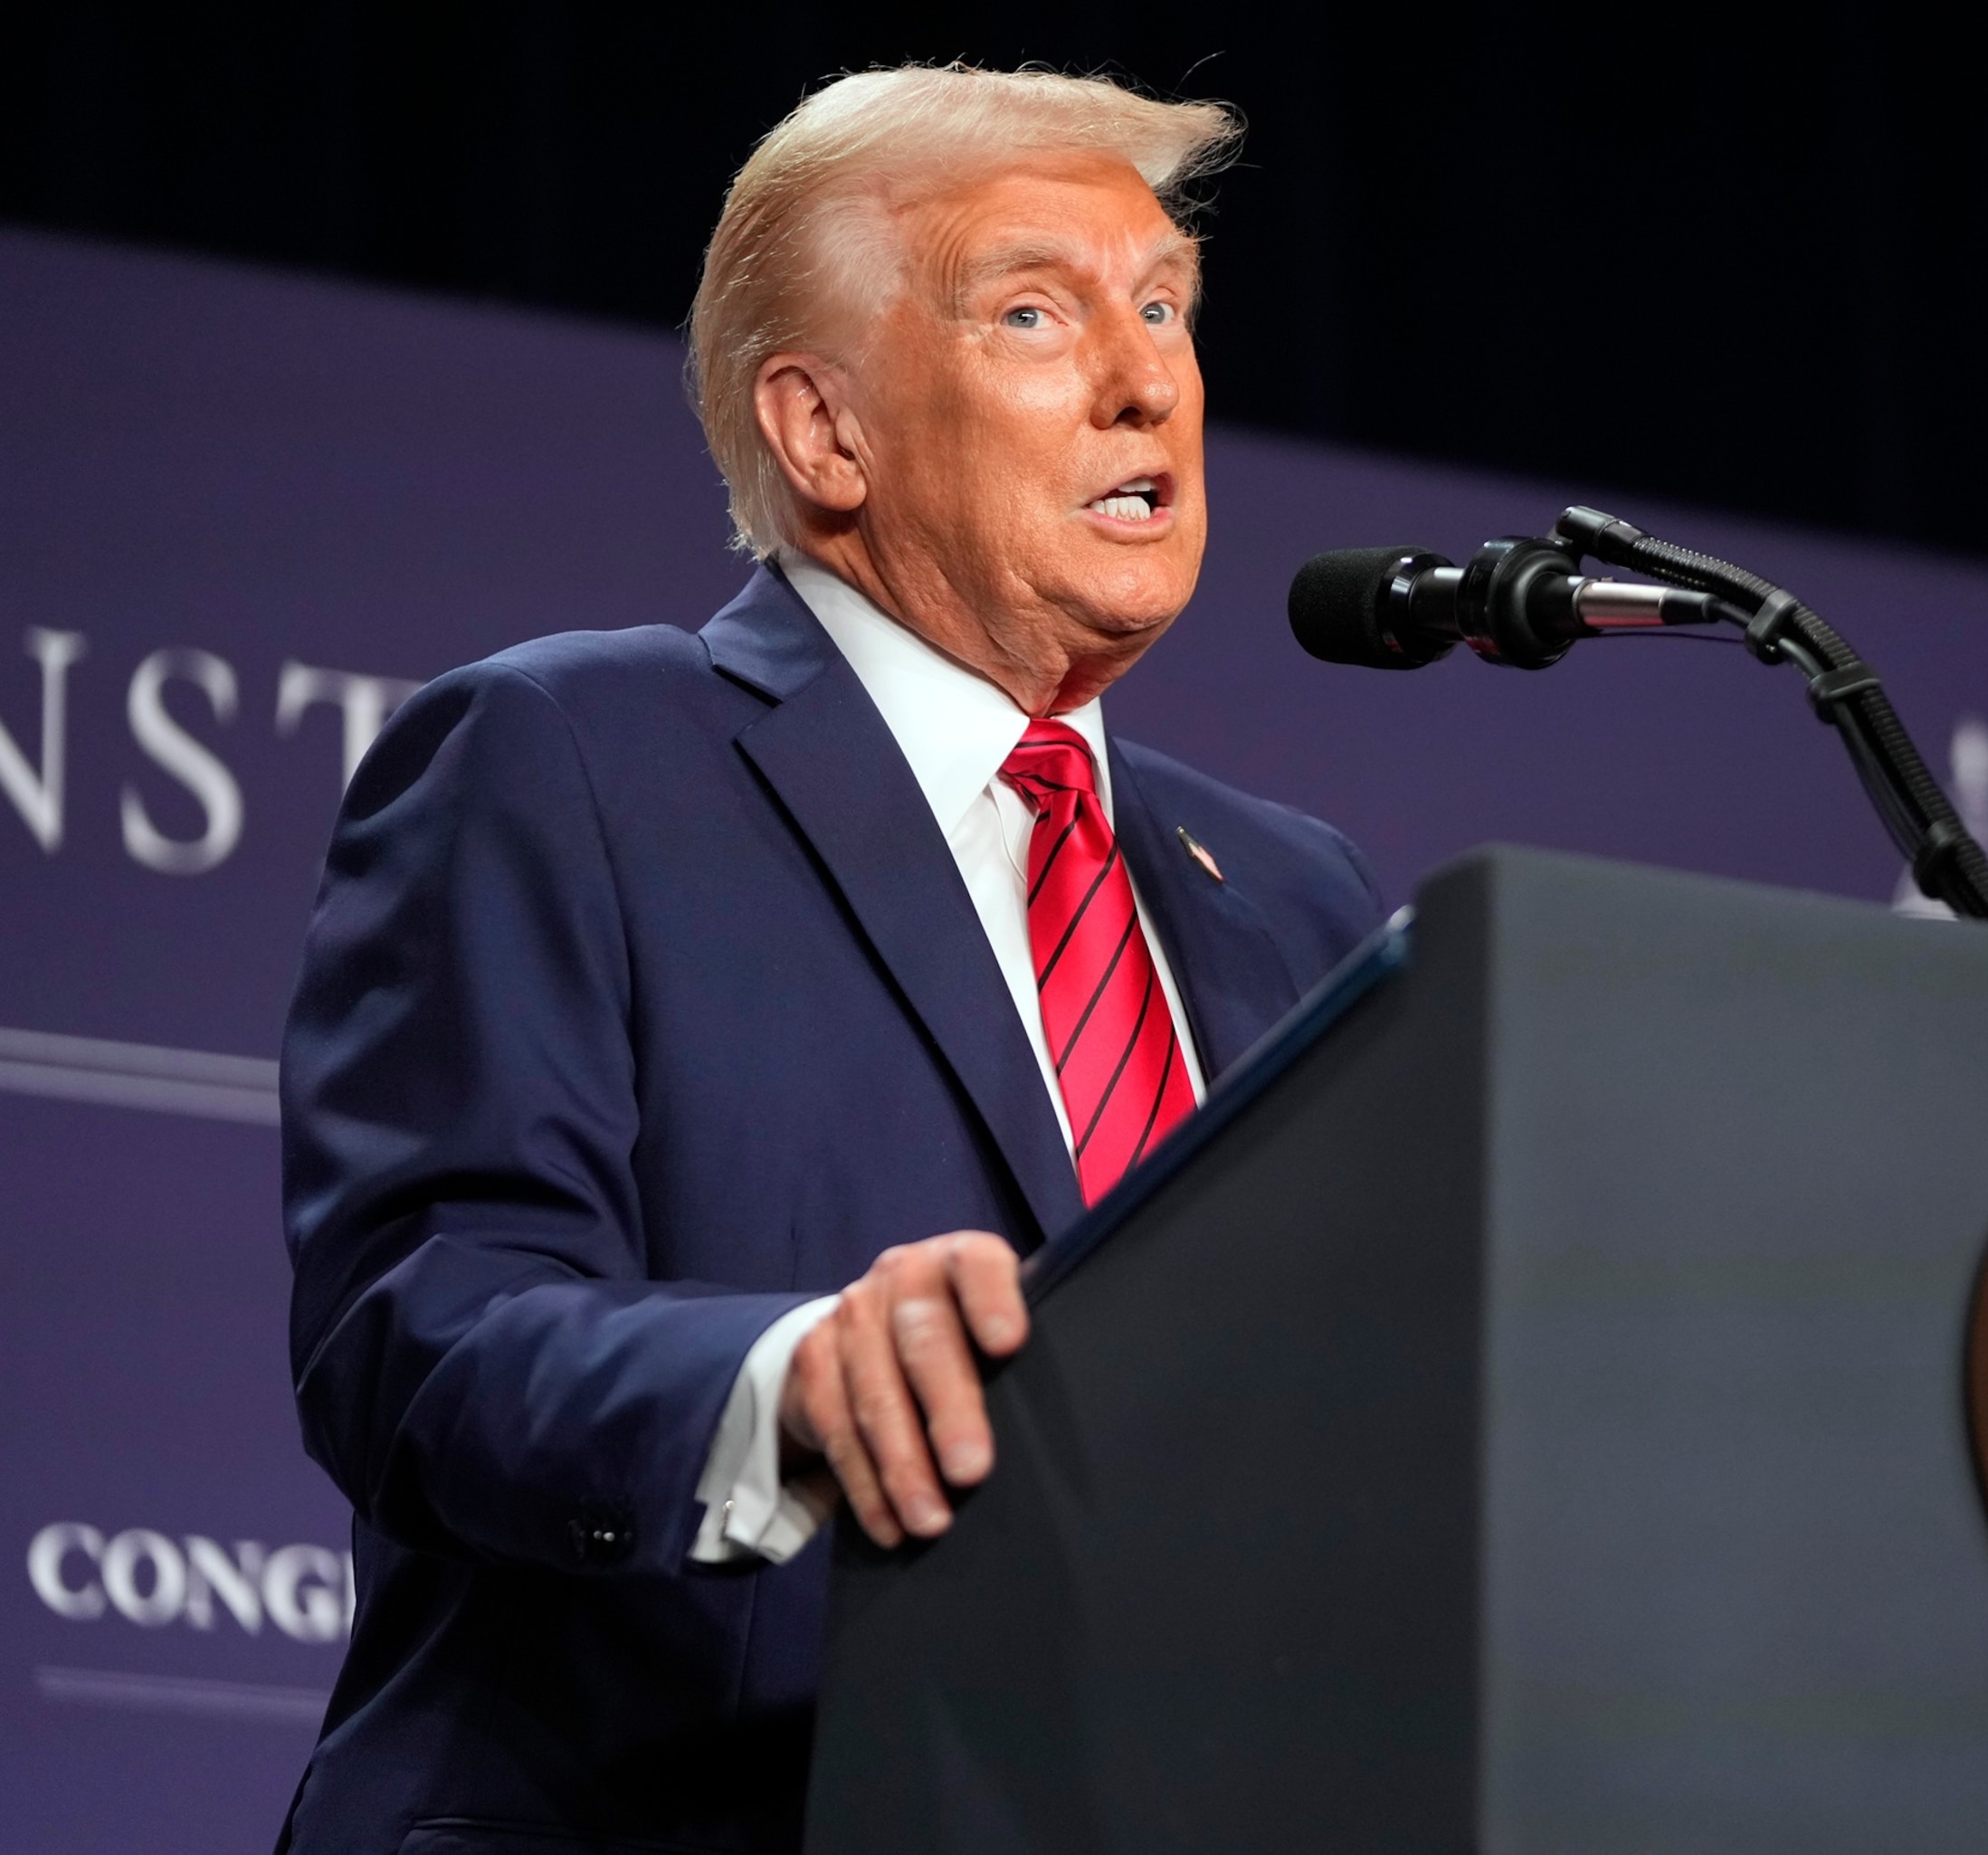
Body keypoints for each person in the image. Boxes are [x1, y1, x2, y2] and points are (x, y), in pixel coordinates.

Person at [275, 65, 1382, 1854]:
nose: (1146, 376)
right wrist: (789, 1379)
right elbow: (427, 1327)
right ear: (823, 432)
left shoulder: (1299, 895)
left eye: (1165, 302)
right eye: (1037, 308)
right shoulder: (570, 753)